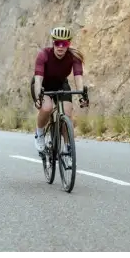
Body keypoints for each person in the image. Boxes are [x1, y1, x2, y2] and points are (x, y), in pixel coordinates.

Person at [30, 26, 89, 160]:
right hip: (44, 85)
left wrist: (81, 95)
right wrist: (39, 95)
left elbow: (78, 77)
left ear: (69, 44)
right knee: (47, 108)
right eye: (57, 43)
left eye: (64, 43)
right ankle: (39, 134)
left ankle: (67, 146)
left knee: (67, 115)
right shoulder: (44, 54)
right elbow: (38, 79)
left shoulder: (74, 57)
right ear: (53, 43)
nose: (61, 47)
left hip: (61, 84)